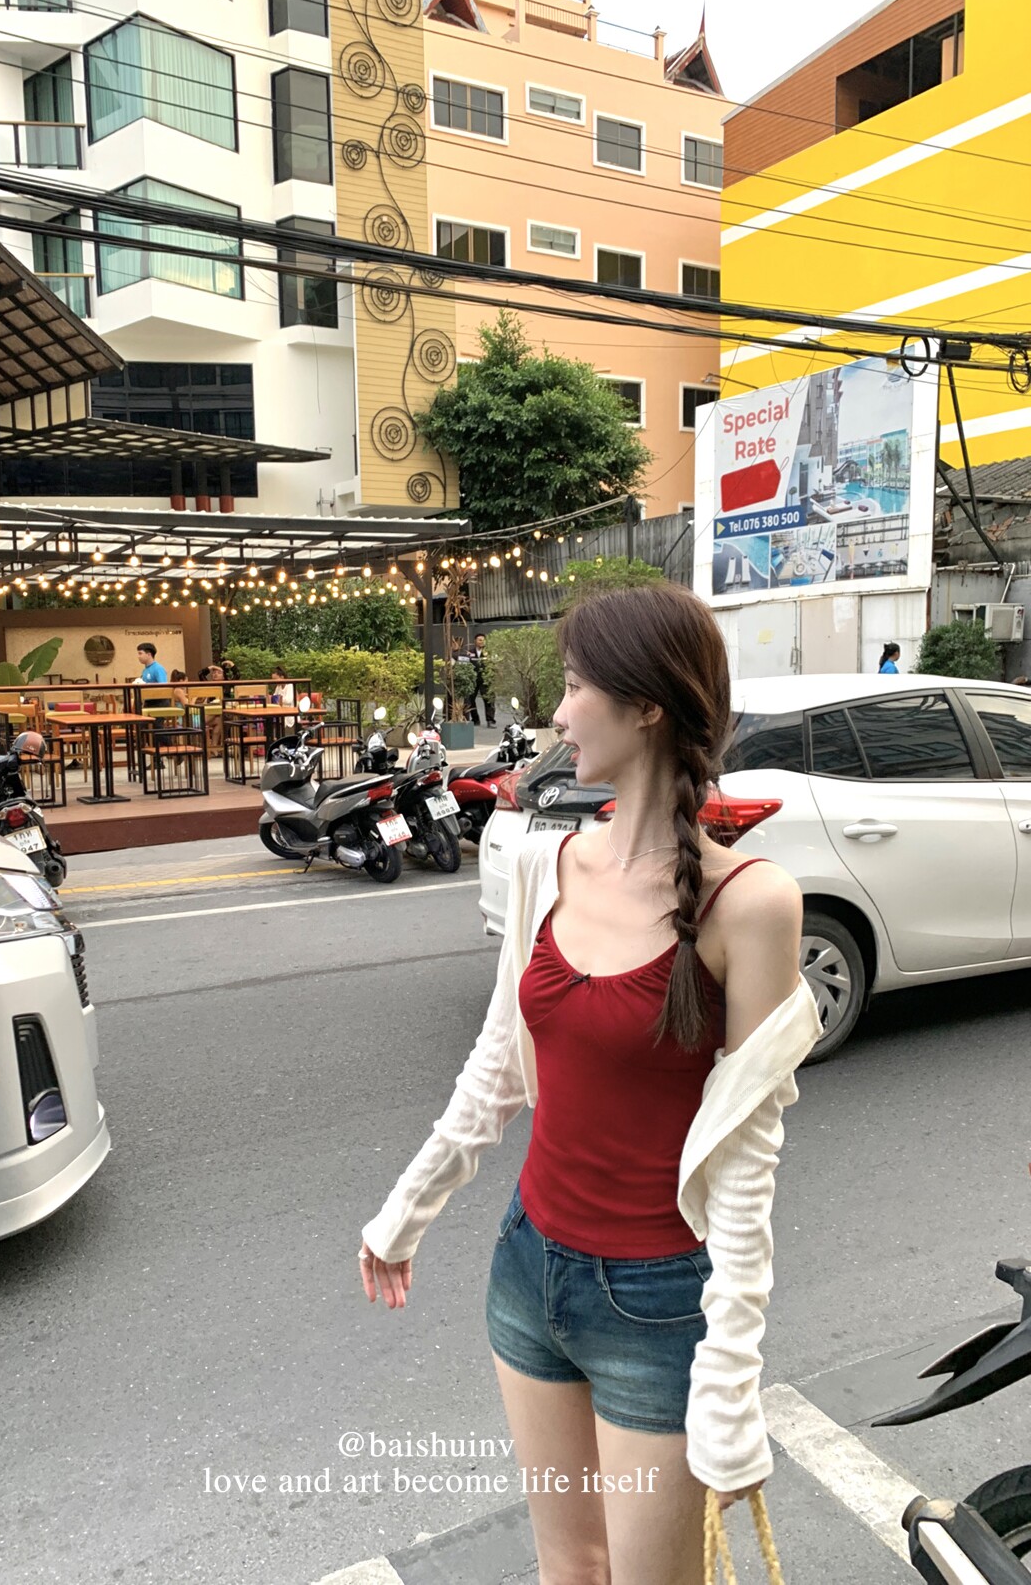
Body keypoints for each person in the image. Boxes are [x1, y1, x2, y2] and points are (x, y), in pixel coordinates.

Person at [358, 583, 820, 1584]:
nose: (559, 715)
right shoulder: (545, 862)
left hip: (658, 1303)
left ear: (645, 705)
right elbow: (499, 1061)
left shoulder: (753, 903)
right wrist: (407, 1209)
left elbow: (750, 1158)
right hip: (528, 1270)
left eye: (575, 688)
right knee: (568, 1569)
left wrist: (729, 1381)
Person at [466, 632, 495, 728]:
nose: (481, 641)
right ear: (475, 641)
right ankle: (475, 719)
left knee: (488, 699)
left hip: (485, 679)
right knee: (470, 699)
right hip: (473, 679)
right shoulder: (470, 652)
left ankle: (490, 720)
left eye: (483, 640)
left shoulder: (489, 652)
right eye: (479, 640)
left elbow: (494, 664)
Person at [136, 642, 170, 708]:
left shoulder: (158, 668)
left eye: (140, 653)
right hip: (148, 701)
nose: (138, 656)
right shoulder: (144, 670)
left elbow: (164, 687)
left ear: (149, 654)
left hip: (159, 703)